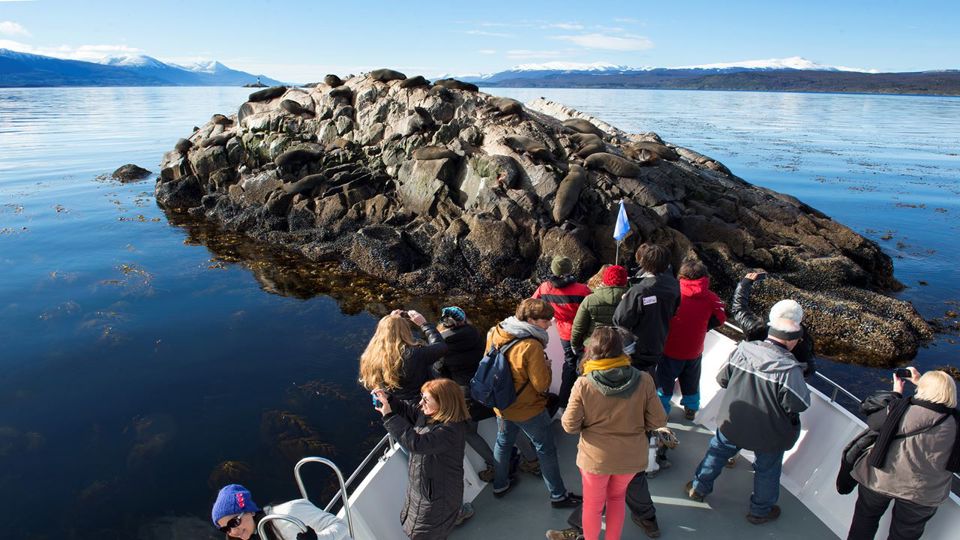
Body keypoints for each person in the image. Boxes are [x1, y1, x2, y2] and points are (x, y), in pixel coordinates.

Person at [684, 316, 811, 525]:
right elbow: (798, 404)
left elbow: (722, 379)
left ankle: (698, 488)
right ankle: (760, 511)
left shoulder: (743, 351)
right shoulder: (789, 370)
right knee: (767, 469)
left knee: (716, 453)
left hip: (732, 423)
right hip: (768, 434)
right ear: (791, 341)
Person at [550, 327, 667, 540]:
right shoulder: (644, 379)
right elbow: (658, 421)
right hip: (630, 458)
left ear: (591, 351)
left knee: (593, 506)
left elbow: (569, 425)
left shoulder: (583, 383)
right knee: (616, 500)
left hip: (596, 459)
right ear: (622, 351)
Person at [488, 298, 581, 507]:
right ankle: (558, 495)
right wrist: (547, 366)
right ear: (530, 319)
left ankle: (500, 484)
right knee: (546, 449)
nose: (550, 324)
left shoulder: (498, 331)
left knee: (503, 443)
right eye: (546, 320)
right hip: (528, 409)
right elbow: (541, 386)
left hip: (502, 405)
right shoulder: (531, 345)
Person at [847, 368, 959, 540]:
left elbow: (874, 422)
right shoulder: (955, 424)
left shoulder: (899, 408)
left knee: (865, 521)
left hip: (881, 480)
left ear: (922, 388)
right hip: (923, 494)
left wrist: (896, 393)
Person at [373, 378, 469, 540]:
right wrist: (389, 399)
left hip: (438, 496)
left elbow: (417, 444)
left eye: (426, 399)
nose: (421, 402)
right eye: (421, 397)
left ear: (443, 403)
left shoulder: (450, 431)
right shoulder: (430, 416)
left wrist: (389, 416)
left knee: (425, 533)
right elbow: (410, 412)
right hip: (428, 490)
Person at [658, 259, 727, 419]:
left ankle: (661, 410)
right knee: (691, 380)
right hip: (694, 349)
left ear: (681, 275)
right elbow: (721, 317)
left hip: (670, 347)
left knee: (664, 381)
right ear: (704, 277)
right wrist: (704, 327)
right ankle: (691, 408)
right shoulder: (711, 297)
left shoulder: (672, 293)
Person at [532, 255, 592, 408]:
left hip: (563, 332)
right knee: (584, 365)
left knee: (570, 364)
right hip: (583, 334)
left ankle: (563, 403)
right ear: (570, 270)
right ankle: (582, 401)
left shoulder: (545, 288)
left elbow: (532, 304)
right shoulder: (582, 289)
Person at [730, 271, 816, 377]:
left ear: (773, 314)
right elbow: (809, 370)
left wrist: (745, 284)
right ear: (799, 320)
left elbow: (739, 309)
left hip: (749, 371)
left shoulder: (757, 328)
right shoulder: (804, 341)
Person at [612, 244, 680, 374]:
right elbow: (674, 310)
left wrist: (625, 300)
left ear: (644, 263)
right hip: (659, 343)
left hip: (638, 348)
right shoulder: (674, 285)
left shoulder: (639, 290)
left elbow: (620, 320)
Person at [359, 309, 448, 403]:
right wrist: (424, 324)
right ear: (405, 331)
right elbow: (441, 347)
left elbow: (385, 334)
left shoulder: (369, 357)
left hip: (395, 406)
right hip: (422, 404)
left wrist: (390, 321)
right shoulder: (414, 354)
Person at [211, 484, 338, 540]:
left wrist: (318, 539)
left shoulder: (289, 513)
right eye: (225, 529)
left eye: (234, 522)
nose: (233, 532)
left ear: (250, 512)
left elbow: (340, 525)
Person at [570, 265, 629, 355]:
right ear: (625, 281)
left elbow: (579, 326)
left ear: (605, 279)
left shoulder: (590, 299)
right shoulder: (632, 299)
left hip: (594, 345)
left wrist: (575, 344)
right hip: (621, 346)